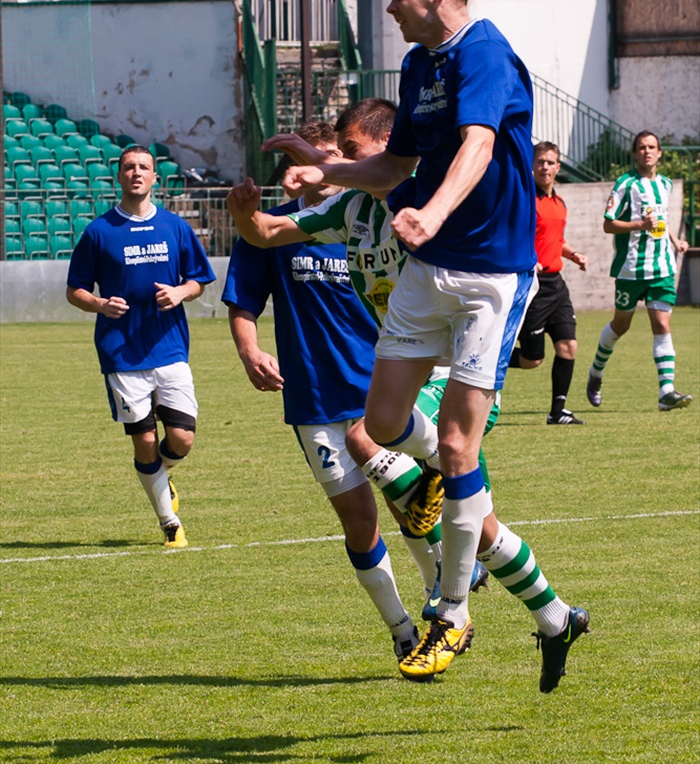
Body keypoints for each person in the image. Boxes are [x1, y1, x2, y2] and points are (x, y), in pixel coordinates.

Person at [239, 92, 588, 693]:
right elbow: (268, 232)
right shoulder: (349, 210)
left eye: (352, 152)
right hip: (412, 372)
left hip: (460, 372)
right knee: (484, 527)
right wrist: (245, 212)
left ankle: (448, 611)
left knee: (367, 432)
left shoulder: (428, 197)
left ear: (387, 150)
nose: (344, 164)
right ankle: (557, 618)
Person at [223, 119, 452, 671]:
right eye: (319, 158)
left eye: (337, 156)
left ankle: (443, 597)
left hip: (381, 385)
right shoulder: (277, 228)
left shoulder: (367, 217)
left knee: (411, 505)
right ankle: (401, 629)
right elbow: (243, 302)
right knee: (359, 521)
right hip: (314, 397)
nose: (326, 167)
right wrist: (250, 351)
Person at [66, 144, 216, 548]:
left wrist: (181, 292)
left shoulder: (175, 227)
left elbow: (200, 279)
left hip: (170, 347)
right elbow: (74, 290)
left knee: (182, 439)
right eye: (129, 167)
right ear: (119, 176)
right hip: (121, 352)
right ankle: (170, 524)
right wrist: (100, 303)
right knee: (145, 441)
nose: (136, 172)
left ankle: (159, 479)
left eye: (143, 167)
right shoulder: (99, 231)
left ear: (154, 178)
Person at [587, 130, 692, 412]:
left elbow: (662, 219)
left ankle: (666, 391)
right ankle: (596, 372)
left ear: (659, 153)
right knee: (621, 326)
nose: (647, 151)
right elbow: (608, 224)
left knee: (662, 325)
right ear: (635, 154)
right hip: (631, 269)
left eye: (652, 147)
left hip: (662, 268)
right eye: (642, 147)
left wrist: (675, 240)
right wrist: (639, 226)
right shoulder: (625, 184)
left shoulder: (667, 184)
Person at [509, 141, 589, 425]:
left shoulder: (559, 203)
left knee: (568, 346)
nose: (545, 167)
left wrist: (574, 254)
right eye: (540, 161)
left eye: (550, 162)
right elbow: (515, 237)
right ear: (532, 165)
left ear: (558, 167)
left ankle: (558, 412)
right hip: (533, 286)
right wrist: (530, 260)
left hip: (557, 285)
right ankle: (488, 358)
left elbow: (555, 240)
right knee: (533, 360)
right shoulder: (525, 200)